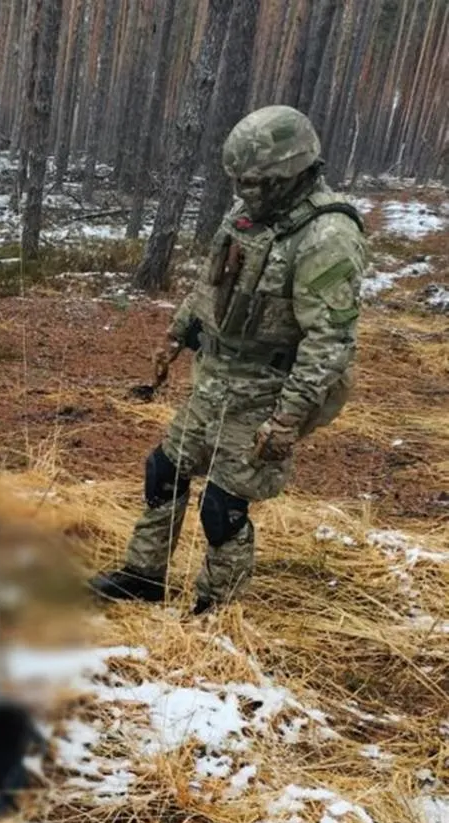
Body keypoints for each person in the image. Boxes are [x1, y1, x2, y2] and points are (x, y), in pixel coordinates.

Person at [89, 104, 369, 615]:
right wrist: (175, 336)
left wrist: (287, 419)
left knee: (224, 506)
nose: (247, 193)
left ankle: (215, 610)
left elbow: (330, 340)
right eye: (241, 182)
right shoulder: (246, 214)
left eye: (258, 183)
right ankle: (143, 576)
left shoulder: (328, 237)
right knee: (164, 471)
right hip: (215, 377)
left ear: (294, 172)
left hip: (266, 388)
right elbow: (209, 285)